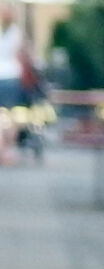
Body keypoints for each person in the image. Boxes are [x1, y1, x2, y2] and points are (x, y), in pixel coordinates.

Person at [0, 2, 35, 166]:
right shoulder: (15, 33)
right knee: (11, 115)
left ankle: (2, 150)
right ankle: (7, 150)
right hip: (11, 76)